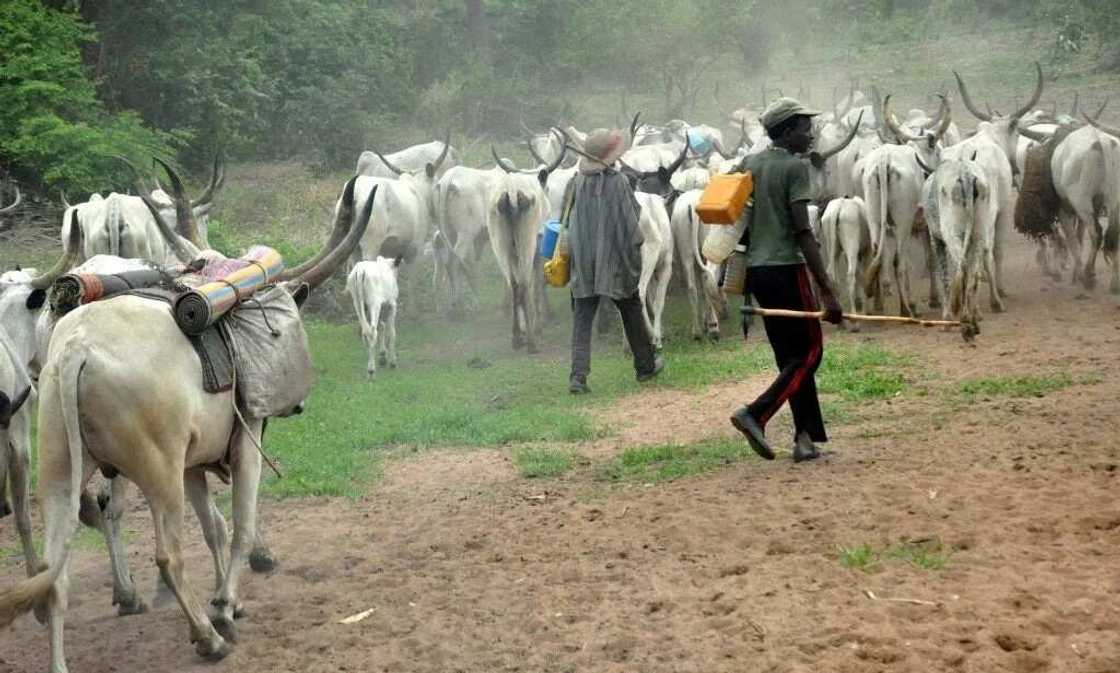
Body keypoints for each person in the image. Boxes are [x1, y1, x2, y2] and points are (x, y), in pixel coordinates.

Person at [729, 98, 844, 462]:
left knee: (789, 358)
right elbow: (803, 232)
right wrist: (827, 289)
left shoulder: (750, 163)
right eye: (804, 127)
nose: (810, 134)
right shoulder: (795, 169)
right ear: (789, 130)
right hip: (786, 269)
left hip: (758, 273)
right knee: (810, 351)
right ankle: (756, 413)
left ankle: (805, 439)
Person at [563, 128, 664, 394]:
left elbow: (567, 221)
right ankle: (645, 366)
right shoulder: (617, 182)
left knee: (583, 318)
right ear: (610, 156)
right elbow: (632, 219)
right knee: (630, 308)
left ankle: (578, 377)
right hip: (614, 262)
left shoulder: (575, 182)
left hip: (583, 262)